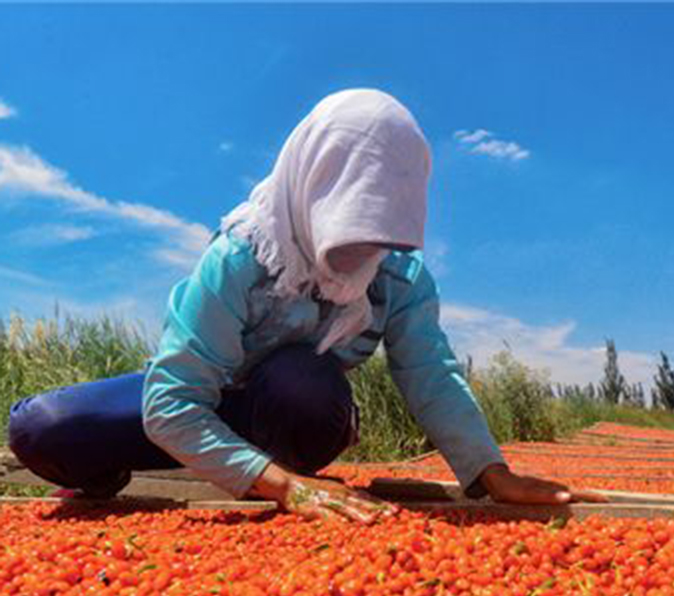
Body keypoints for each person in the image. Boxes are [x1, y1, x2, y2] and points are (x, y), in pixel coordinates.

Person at [7, 88, 601, 522]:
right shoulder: (241, 257)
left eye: (378, 235)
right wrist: (285, 489)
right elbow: (171, 401)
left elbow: (430, 374)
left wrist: (488, 473)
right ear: (312, 188)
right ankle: (187, 464)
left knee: (303, 380)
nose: (359, 256)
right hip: (201, 401)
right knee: (40, 430)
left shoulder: (398, 277)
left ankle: (263, 464)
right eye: (348, 230)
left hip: (293, 416)